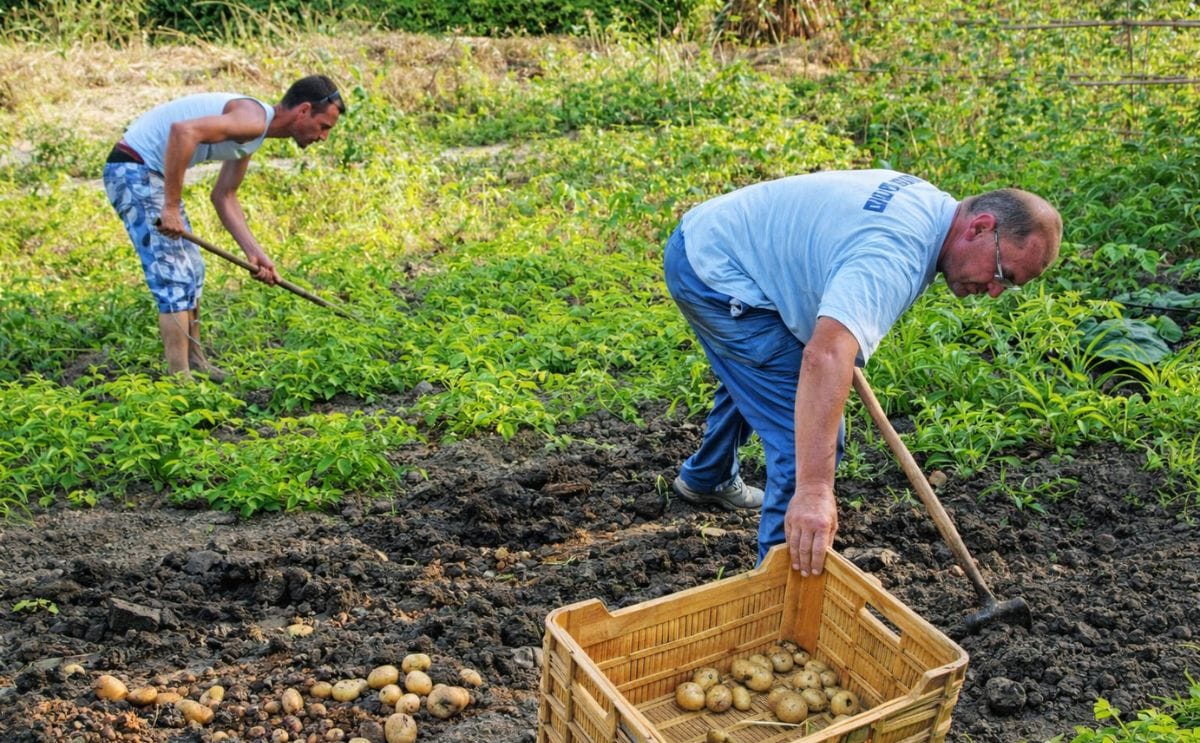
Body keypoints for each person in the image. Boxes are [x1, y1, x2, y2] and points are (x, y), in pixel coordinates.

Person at [664, 169, 1062, 576]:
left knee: (763, 371)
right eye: (1002, 273)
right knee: (803, 429)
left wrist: (833, 341)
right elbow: (825, 356)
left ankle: (707, 476)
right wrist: (816, 491)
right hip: (716, 272)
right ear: (980, 227)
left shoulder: (928, 205)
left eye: (1009, 286)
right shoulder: (895, 256)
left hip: (715, 236)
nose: (994, 291)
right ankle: (782, 589)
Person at [103, 74, 346, 381]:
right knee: (174, 275)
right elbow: (183, 132)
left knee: (193, 270)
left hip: (147, 174)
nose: (323, 137)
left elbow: (224, 196)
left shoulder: (254, 134)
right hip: (133, 169)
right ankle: (181, 380)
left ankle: (198, 363)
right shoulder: (253, 120)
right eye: (323, 126)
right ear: (303, 111)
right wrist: (170, 206)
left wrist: (256, 254)